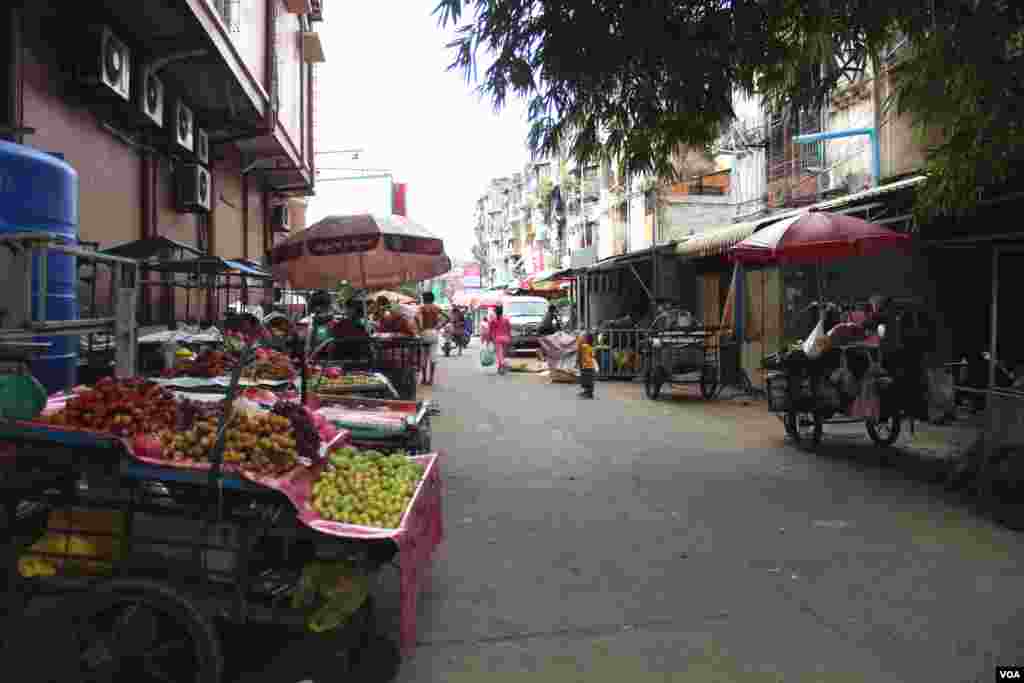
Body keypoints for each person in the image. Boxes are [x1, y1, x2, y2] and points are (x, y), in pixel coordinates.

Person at [416, 292, 449, 385]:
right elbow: (448, 318)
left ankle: (423, 378)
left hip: (424, 333)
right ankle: (431, 379)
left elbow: (418, 319)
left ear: (423, 298)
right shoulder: (436, 308)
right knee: (433, 357)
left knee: (423, 356)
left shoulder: (421, 308)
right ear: (432, 298)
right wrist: (439, 326)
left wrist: (420, 328)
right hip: (434, 333)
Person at [485, 304, 512, 375]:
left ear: (495, 312)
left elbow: (489, 332)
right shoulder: (506, 319)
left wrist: (488, 341)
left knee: (499, 355)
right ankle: (500, 369)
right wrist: (510, 338)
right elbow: (509, 329)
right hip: (506, 339)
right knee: (503, 354)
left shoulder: (493, 320)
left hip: (497, 339)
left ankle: (503, 364)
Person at [577, 331, 596, 399]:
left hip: (587, 365)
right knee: (587, 379)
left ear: (587, 339)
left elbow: (579, 345)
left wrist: (579, 338)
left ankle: (589, 393)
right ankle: (587, 392)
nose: (583, 338)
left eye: (584, 337)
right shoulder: (591, 346)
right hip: (589, 365)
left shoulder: (585, 346)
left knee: (587, 379)